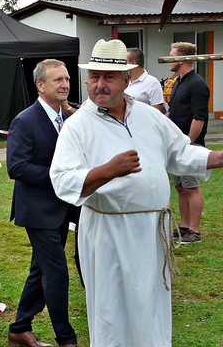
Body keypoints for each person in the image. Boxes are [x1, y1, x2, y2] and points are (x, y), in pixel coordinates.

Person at [49, 38, 223, 347]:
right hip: (108, 233)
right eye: (94, 76)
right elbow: (63, 180)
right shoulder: (78, 126)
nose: (99, 84)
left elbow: (181, 152)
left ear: (127, 80)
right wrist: (108, 170)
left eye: (109, 77)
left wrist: (219, 158)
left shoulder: (149, 116)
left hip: (151, 232)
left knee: (152, 303)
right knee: (111, 309)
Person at [6, 59, 79, 347]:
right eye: (58, 80)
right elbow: (16, 167)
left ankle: (19, 328)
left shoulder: (68, 117)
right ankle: (67, 339)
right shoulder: (25, 120)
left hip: (61, 208)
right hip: (37, 211)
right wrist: (59, 177)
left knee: (41, 270)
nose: (65, 84)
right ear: (40, 85)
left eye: (67, 79)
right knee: (56, 272)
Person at [168, 42, 210, 244]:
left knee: (191, 188)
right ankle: (184, 226)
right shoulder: (178, 82)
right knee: (181, 187)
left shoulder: (197, 84)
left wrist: (188, 144)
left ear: (182, 58)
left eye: (171, 54)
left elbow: (199, 118)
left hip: (190, 146)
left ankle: (194, 231)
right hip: (177, 145)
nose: (168, 58)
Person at [125, 48, 166, 113]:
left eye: (125, 62)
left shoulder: (152, 82)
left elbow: (157, 112)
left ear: (133, 62)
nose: (123, 65)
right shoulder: (124, 81)